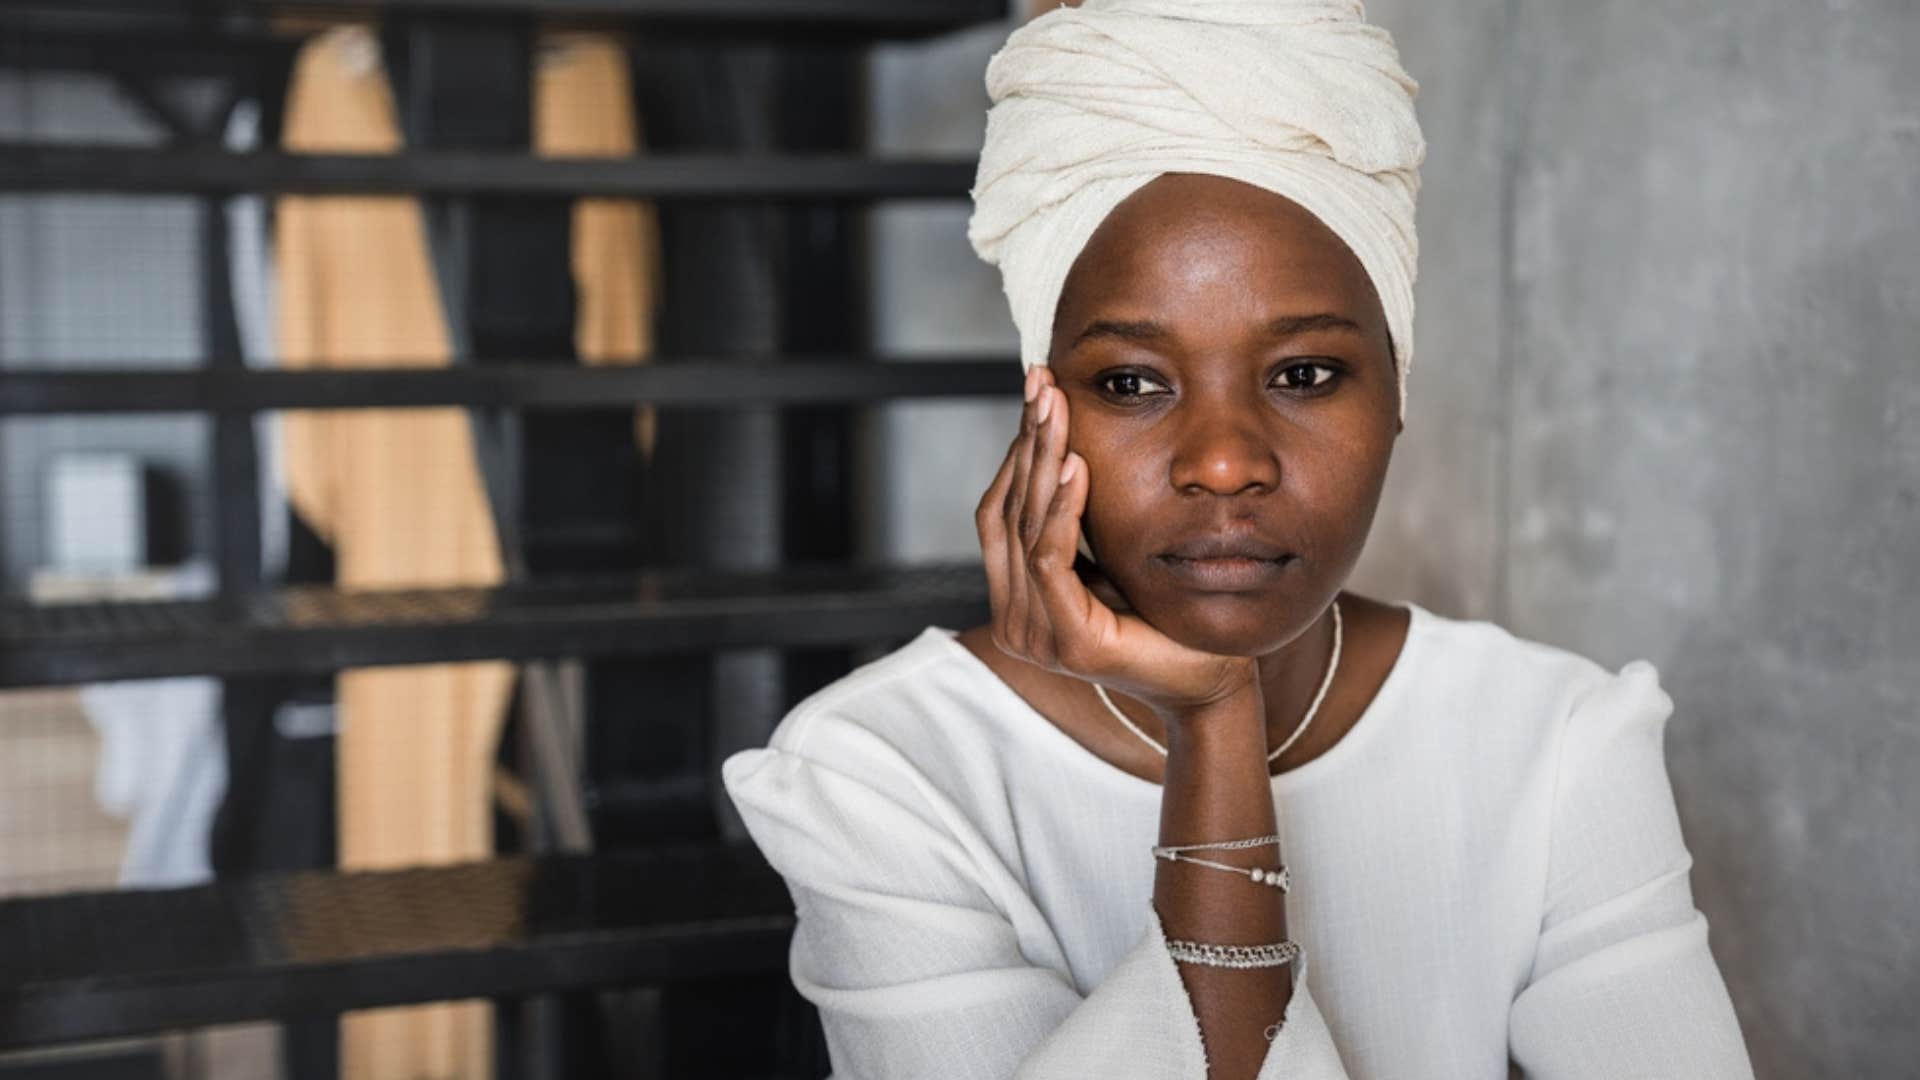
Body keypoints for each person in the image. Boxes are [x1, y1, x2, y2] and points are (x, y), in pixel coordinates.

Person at [723, 2, 1757, 1077]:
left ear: (1397, 391)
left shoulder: (1557, 748)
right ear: (1043, 412)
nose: (1224, 463)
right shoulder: (886, 777)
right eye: (1132, 382)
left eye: (1305, 374)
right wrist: (1216, 719)